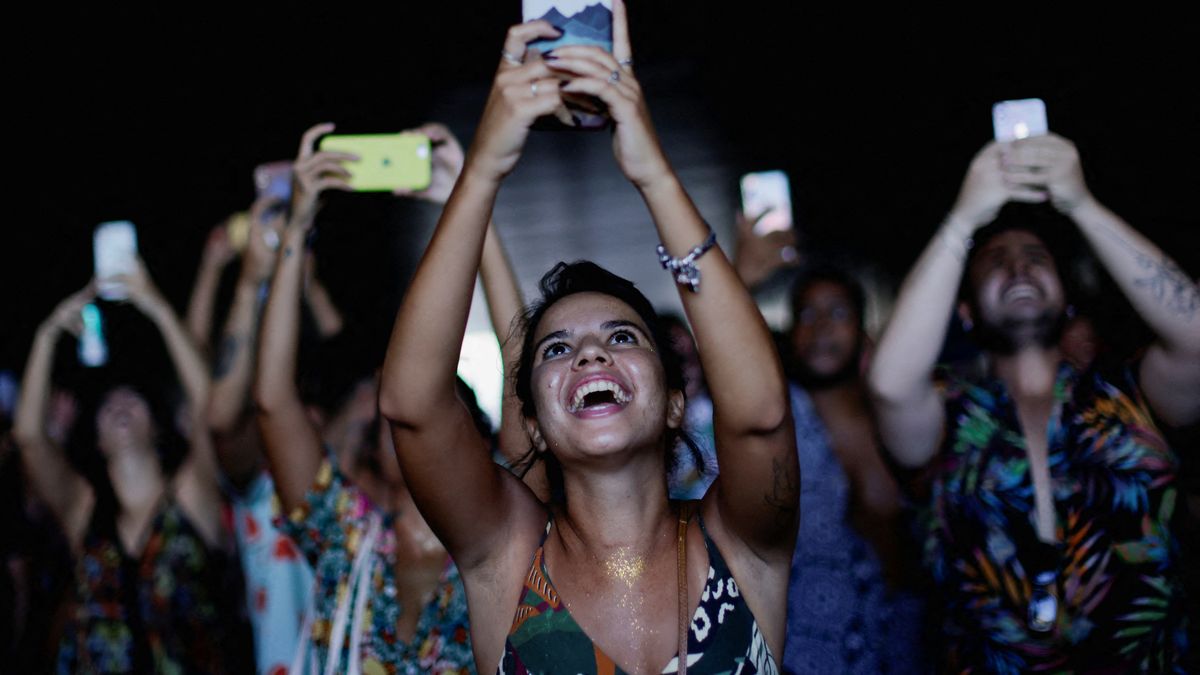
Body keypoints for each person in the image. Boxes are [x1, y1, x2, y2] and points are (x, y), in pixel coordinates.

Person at [379, 3, 799, 672]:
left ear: (672, 400)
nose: (589, 353)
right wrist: (483, 167)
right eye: (556, 349)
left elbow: (761, 416)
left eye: (623, 336)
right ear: (536, 424)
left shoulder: (741, 540)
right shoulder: (505, 552)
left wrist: (653, 173)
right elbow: (413, 407)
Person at [867, 133, 1199, 671]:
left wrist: (1081, 204)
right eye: (996, 262)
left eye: (1034, 258)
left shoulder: (1133, 395)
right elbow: (888, 385)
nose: (1018, 269)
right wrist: (961, 222)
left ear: (1067, 301)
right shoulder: (949, 416)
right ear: (967, 312)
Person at [254, 121, 522, 674]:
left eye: (432, 420)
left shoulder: (505, 534)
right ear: (373, 446)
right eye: (392, 424)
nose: (407, 429)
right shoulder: (346, 537)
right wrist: (296, 229)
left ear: (475, 440)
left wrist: (470, 202)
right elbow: (274, 400)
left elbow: (520, 362)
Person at [14, 262, 242, 673]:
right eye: (108, 405)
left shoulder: (191, 495)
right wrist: (47, 335)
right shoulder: (83, 511)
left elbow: (210, 408)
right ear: (98, 442)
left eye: (132, 400)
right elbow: (30, 437)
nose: (119, 404)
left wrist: (156, 306)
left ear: (156, 427)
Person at [779, 266, 926, 673]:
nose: (822, 327)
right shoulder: (778, 423)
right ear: (791, 335)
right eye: (807, 315)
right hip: (811, 653)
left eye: (838, 313)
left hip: (906, 646)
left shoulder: (899, 419)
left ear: (865, 332)